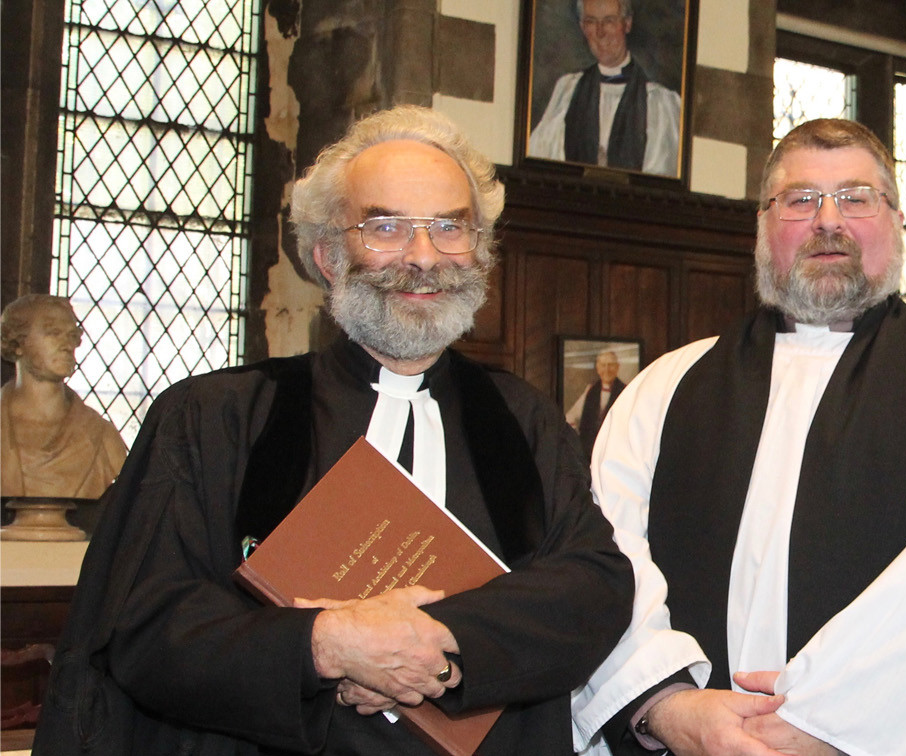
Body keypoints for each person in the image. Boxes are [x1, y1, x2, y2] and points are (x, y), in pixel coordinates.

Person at [33, 105, 634, 755]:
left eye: (448, 227)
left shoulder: (525, 418)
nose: (423, 257)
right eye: (385, 225)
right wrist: (324, 645)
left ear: (480, 252)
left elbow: (593, 586)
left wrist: (438, 644)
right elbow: (144, 628)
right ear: (326, 255)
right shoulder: (216, 417)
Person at [572, 118, 906, 756]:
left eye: (856, 198)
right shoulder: (666, 388)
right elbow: (605, 563)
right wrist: (665, 704)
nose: (829, 220)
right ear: (763, 228)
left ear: (896, 221)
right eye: (800, 201)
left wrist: (831, 717)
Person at [529, 0, 682, 176]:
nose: (600, 32)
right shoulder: (568, 91)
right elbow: (541, 163)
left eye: (609, 21)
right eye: (591, 22)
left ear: (627, 23)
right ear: (582, 27)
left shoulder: (660, 104)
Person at [0, 294, 127, 499]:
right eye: (53, 333)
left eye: (71, 335)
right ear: (17, 343)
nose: (68, 345)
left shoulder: (102, 438)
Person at [566, 349, 627, 457]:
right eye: (603, 365)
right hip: (589, 453)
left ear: (618, 367)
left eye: (611, 365)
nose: (607, 369)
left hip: (615, 453)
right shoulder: (590, 391)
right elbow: (570, 417)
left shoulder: (627, 391)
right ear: (598, 368)